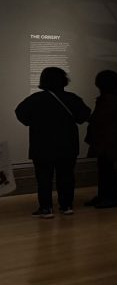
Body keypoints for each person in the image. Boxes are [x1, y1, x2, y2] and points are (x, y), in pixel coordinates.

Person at [14, 66, 91, 218]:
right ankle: (66, 206)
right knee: (67, 176)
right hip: (67, 145)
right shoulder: (72, 98)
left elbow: (21, 114)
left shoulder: (35, 99)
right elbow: (84, 116)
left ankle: (46, 208)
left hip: (42, 145)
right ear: (64, 80)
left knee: (43, 178)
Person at [85, 70, 117, 208]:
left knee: (107, 168)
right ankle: (106, 195)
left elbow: (102, 119)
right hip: (108, 138)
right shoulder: (114, 97)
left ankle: (111, 197)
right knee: (105, 168)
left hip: (107, 139)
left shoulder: (110, 99)